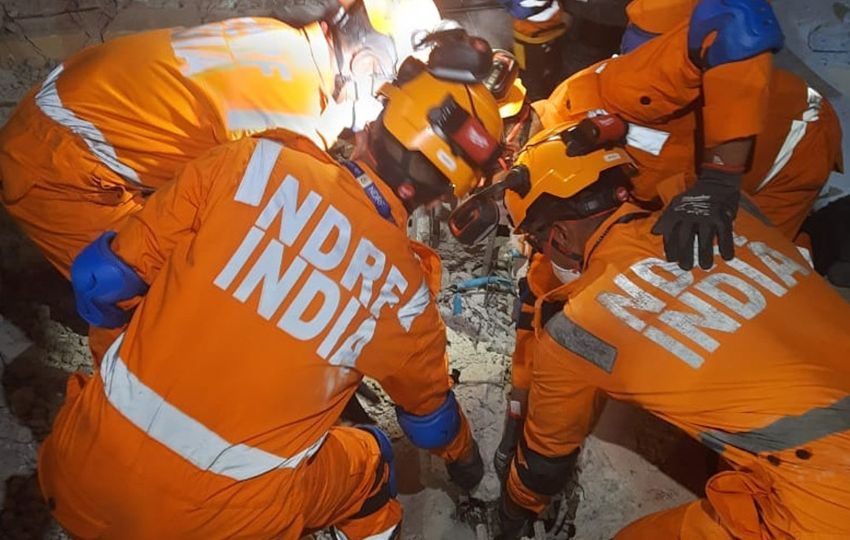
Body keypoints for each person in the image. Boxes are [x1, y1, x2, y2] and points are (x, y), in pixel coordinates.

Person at [39, 54, 504, 539]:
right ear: (439, 196)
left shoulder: (247, 163)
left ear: (373, 122)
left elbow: (101, 281)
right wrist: (468, 462)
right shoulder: (406, 297)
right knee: (372, 462)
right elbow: (431, 423)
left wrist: (120, 370)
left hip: (79, 477)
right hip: (221, 528)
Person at [0, 0, 441, 361]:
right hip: (56, 168)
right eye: (384, 94)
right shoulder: (296, 116)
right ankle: (123, 428)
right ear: (365, 63)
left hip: (62, 111)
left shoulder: (283, 41)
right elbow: (269, 242)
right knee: (169, 317)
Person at [494, 123, 850, 539]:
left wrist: (512, 511)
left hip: (827, 499)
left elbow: (545, 461)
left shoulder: (576, 328)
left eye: (538, 243)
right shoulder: (724, 210)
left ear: (558, 236)